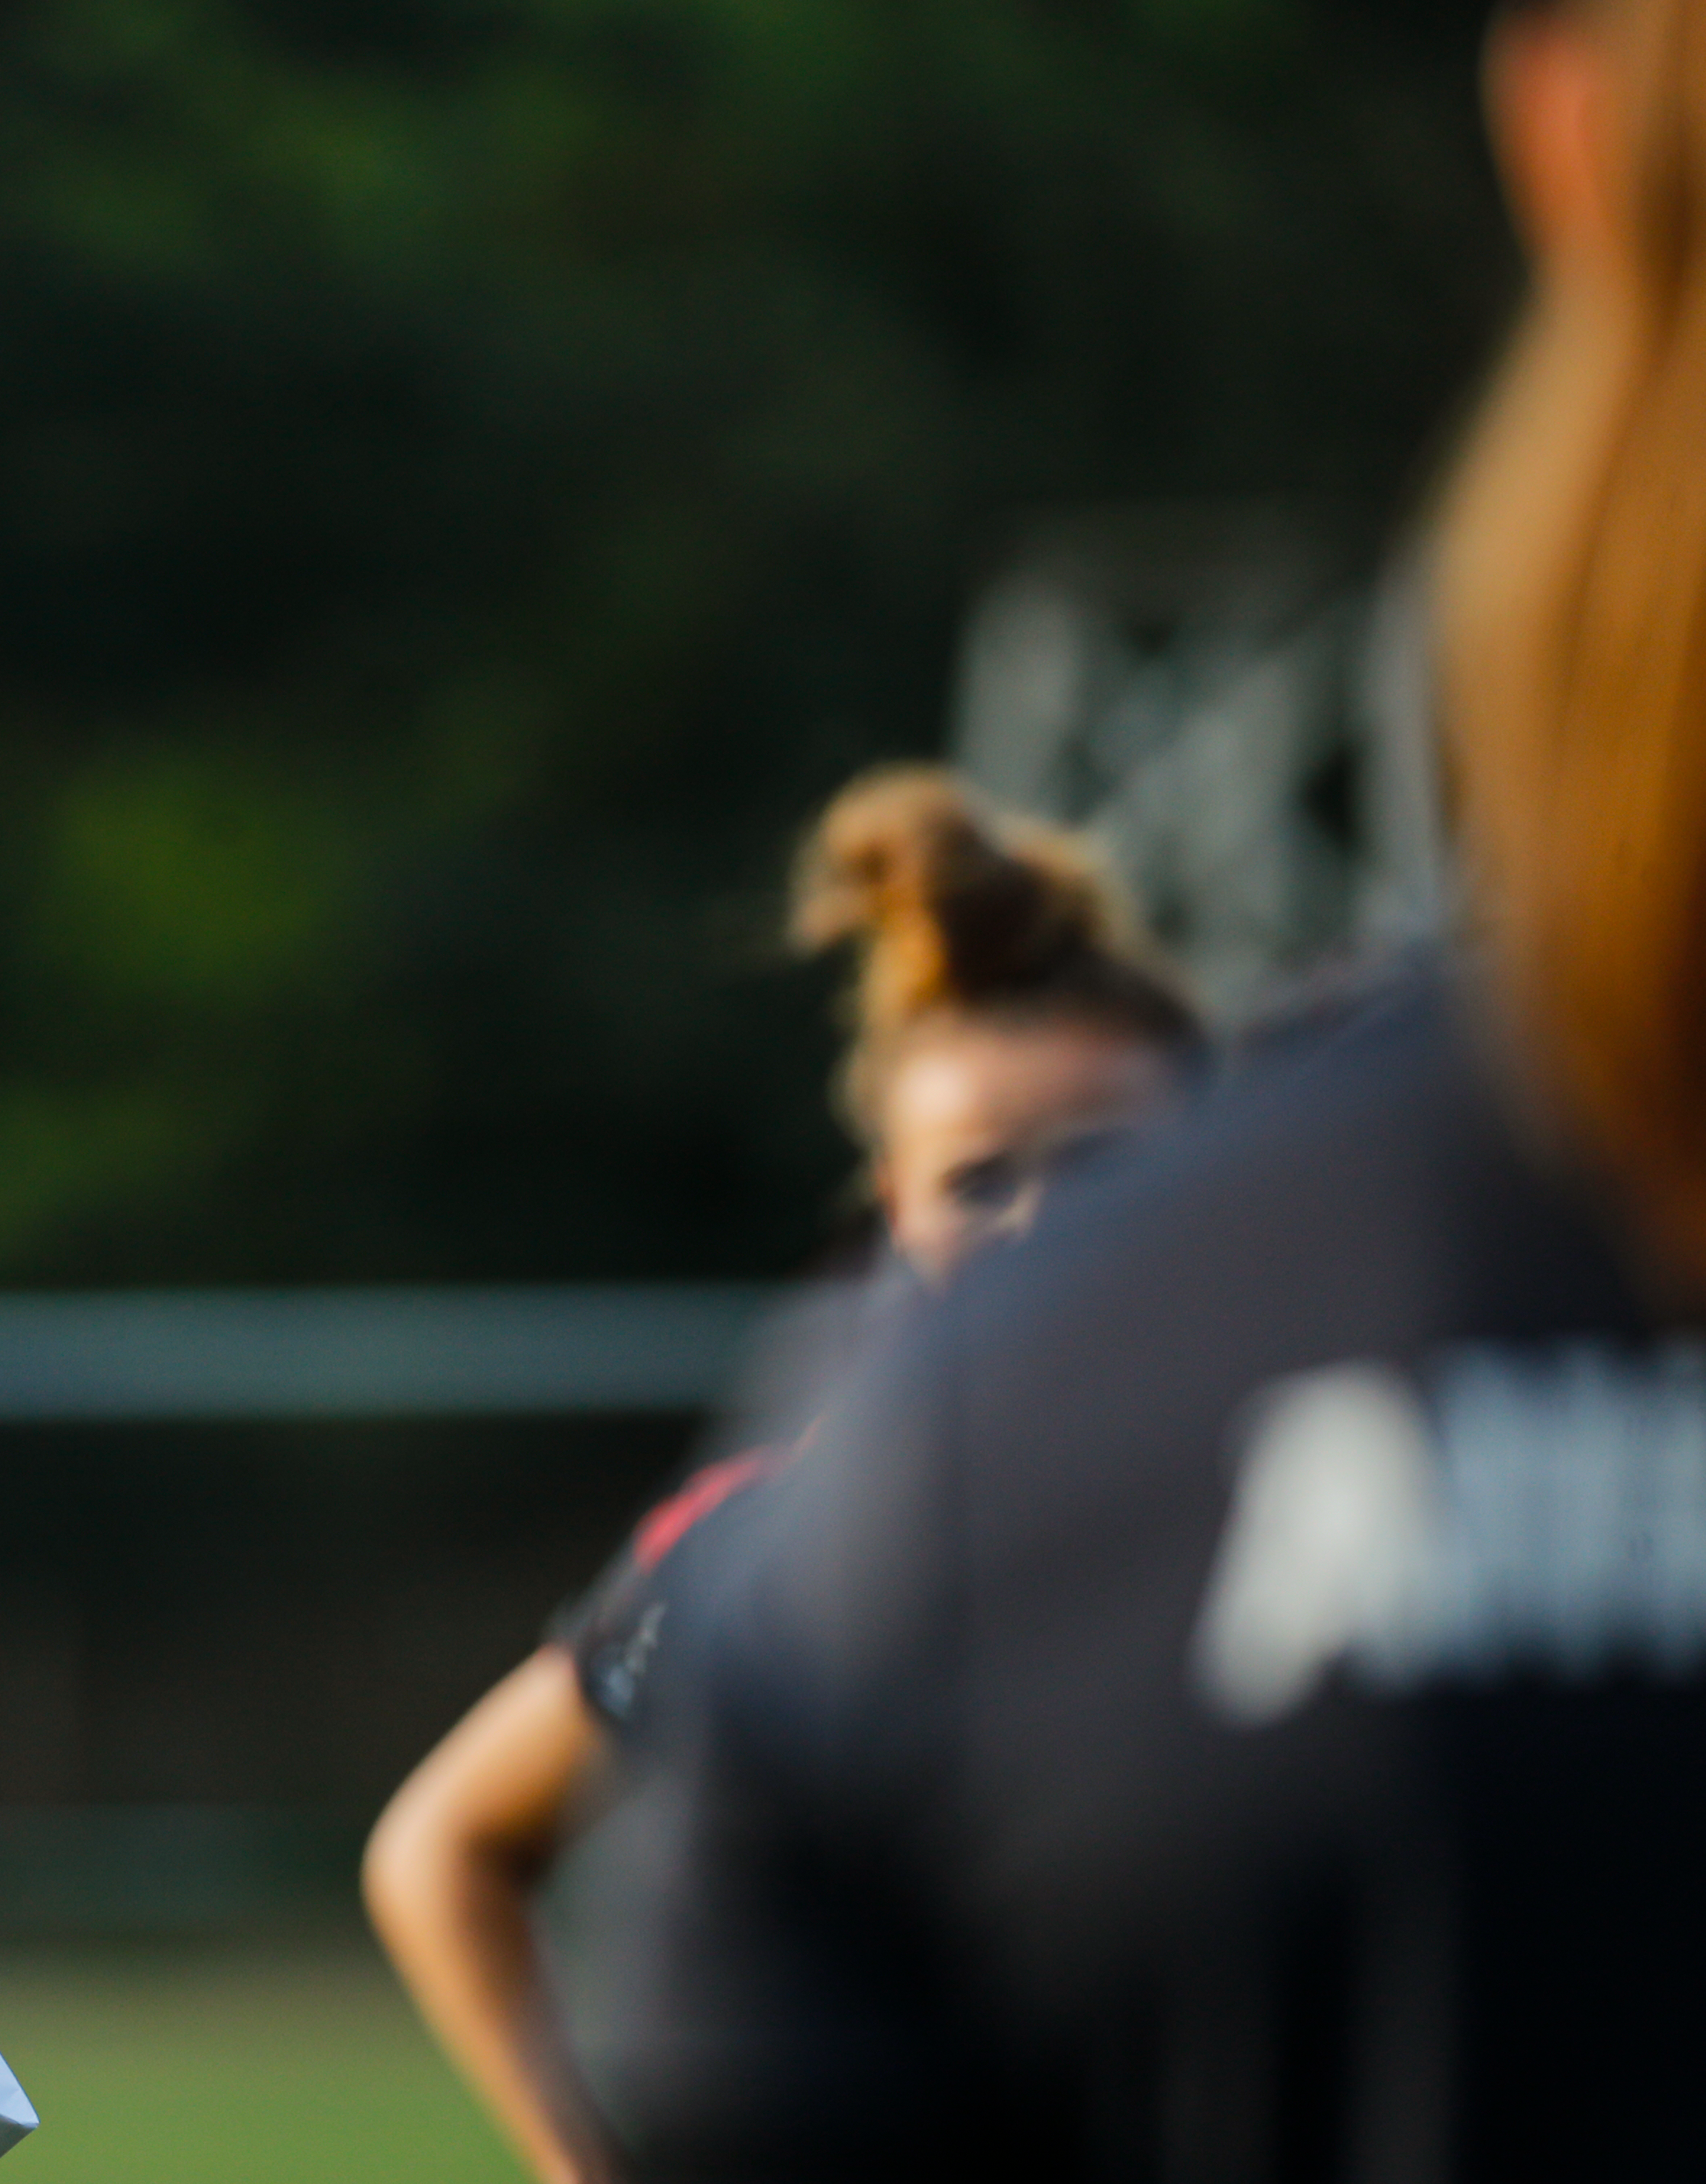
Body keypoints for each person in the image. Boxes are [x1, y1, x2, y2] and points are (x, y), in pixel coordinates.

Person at [555, 4, 1706, 2176]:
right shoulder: (860, 1502)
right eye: (971, 1170)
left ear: (1567, 151)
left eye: (1059, 1164)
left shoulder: (971, 1484)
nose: (1015, 1212)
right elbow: (458, 1829)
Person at [361, 767, 1200, 2184]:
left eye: (1107, 1166)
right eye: (981, 1179)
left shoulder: (1350, 1493)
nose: (1046, 1222)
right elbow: (440, 1847)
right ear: (889, 1207)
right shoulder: (785, 1540)